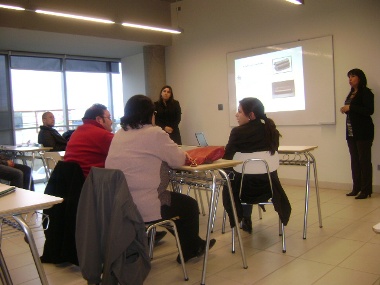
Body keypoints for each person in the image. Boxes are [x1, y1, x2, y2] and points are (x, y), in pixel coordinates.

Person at [105, 94, 215, 263]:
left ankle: (193, 244)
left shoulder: (120, 133)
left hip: (120, 204)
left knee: (176, 205)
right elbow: (178, 160)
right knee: (189, 205)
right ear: (151, 114)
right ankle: (191, 250)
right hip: (144, 205)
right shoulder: (154, 132)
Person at [222, 97, 291, 233]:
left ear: (251, 115)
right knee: (247, 176)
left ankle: (243, 217)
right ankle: (246, 217)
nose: (236, 114)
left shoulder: (237, 132)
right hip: (268, 188)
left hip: (242, 190)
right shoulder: (272, 131)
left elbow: (227, 159)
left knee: (232, 177)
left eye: (240, 112)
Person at [340, 68, 374, 199]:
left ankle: (366, 190)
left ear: (360, 78)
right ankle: (356, 188)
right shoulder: (351, 93)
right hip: (351, 133)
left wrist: (350, 107)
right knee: (354, 161)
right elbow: (353, 110)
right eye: (349, 77)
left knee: (364, 161)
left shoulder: (366, 93)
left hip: (363, 132)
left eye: (353, 76)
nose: (350, 79)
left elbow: (369, 110)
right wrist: (345, 109)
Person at [64, 104, 114, 177]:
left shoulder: (77, 132)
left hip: (72, 182)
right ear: (99, 120)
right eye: (109, 118)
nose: (111, 122)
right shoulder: (102, 134)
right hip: (92, 182)